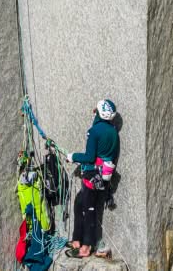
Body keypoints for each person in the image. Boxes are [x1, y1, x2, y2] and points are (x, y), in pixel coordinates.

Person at [65, 99, 120, 259]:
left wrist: (72, 156)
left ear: (100, 113)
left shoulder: (94, 131)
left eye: (95, 110)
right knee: (79, 203)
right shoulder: (114, 132)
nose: (93, 112)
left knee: (89, 209)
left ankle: (86, 246)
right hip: (104, 176)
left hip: (91, 174)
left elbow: (89, 157)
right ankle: (77, 239)